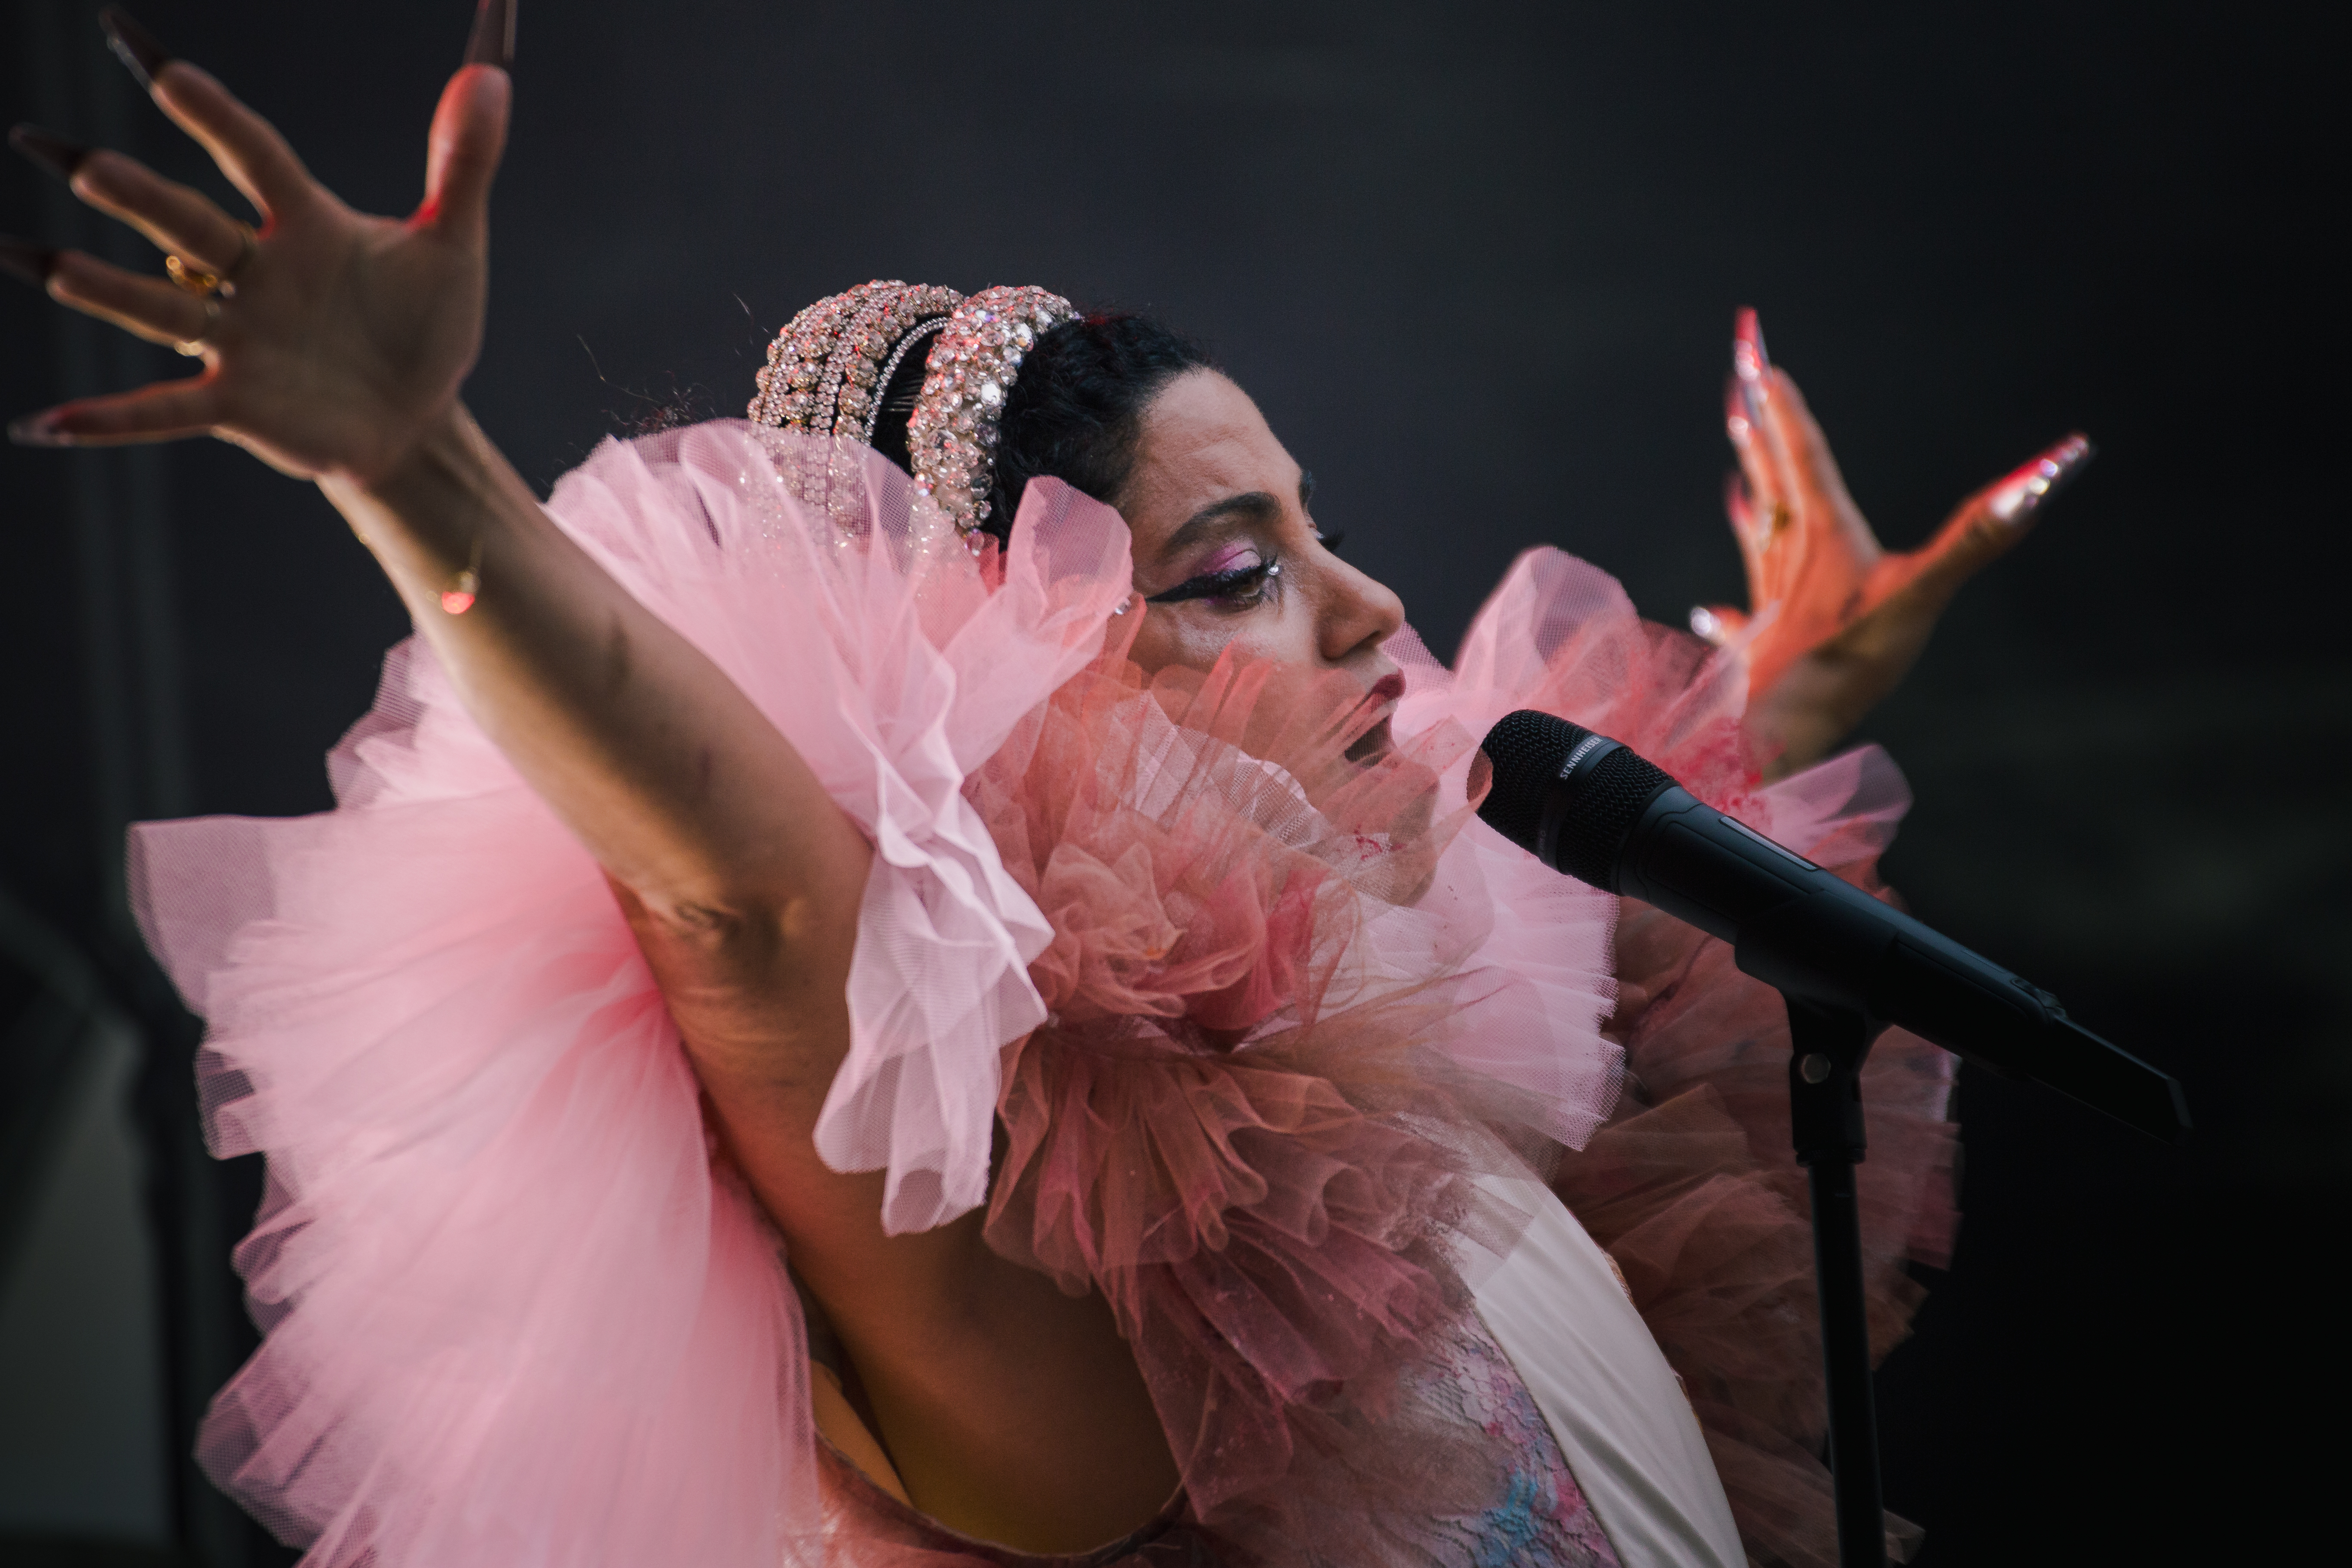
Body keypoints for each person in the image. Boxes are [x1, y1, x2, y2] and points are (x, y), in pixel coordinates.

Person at [3, 6, 2092, 1565]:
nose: (1380, 611)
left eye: (1321, 524)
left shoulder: (1411, 1025)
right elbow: (753, 901)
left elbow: (1611, 928)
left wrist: (1790, 678)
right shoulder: (1036, 1248)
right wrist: (410, 463)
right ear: (994, 709)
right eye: (1239, 572)